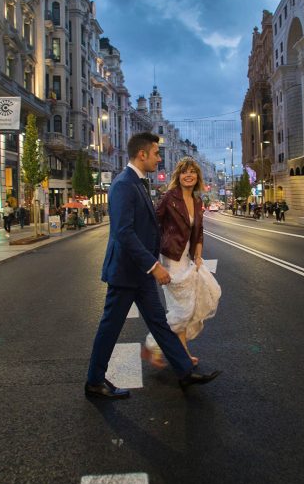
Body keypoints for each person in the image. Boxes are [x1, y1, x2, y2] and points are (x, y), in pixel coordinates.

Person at [85, 132, 220, 399]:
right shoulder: (124, 184)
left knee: (159, 323)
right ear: (142, 154)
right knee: (110, 327)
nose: (159, 158)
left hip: (141, 273)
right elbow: (123, 232)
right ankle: (94, 381)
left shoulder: (138, 183)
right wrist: (154, 265)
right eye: (156, 153)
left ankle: (184, 371)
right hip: (126, 272)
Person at [145, 158, 220, 369]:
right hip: (171, 257)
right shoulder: (170, 197)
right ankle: (153, 344)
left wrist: (198, 256)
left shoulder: (197, 200)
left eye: (192, 172)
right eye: (184, 172)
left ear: (197, 176)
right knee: (183, 309)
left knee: (184, 307)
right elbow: (154, 222)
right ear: (178, 176)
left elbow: (199, 231)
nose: (189, 175)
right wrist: (152, 253)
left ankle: (181, 354)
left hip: (187, 258)